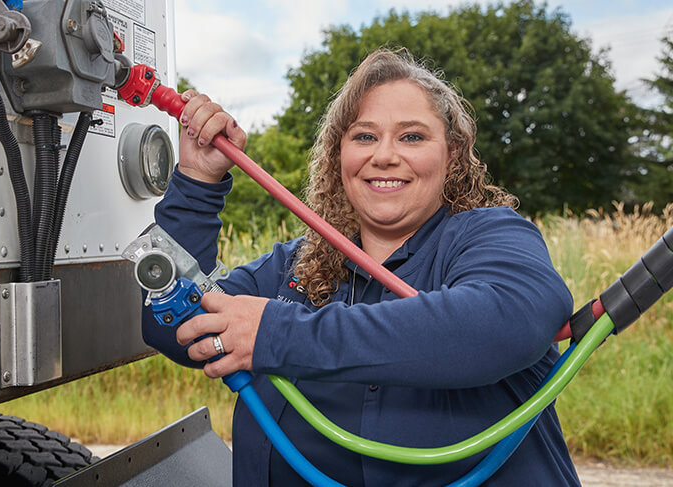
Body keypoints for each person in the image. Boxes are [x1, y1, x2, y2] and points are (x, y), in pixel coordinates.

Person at [141, 48, 580, 486]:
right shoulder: (291, 268)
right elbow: (170, 322)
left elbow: (504, 321)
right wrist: (198, 182)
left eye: (412, 137)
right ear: (338, 157)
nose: (384, 156)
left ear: (452, 154)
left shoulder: (491, 235)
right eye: (364, 137)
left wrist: (277, 335)